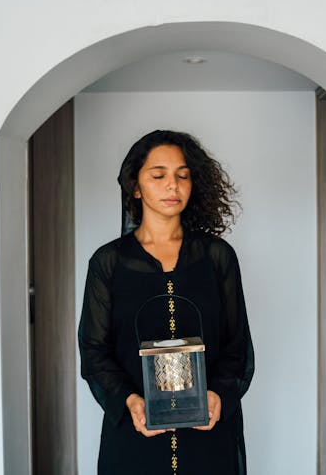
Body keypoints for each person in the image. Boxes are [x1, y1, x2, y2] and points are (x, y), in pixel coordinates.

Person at [78, 130, 254, 475]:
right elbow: (94, 350)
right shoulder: (109, 262)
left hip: (208, 429)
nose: (172, 185)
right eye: (158, 176)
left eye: (182, 176)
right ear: (136, 186)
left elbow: (237, 344)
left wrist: (218, 394)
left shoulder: (217, 257)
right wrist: (130, 402)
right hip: (135, 430)